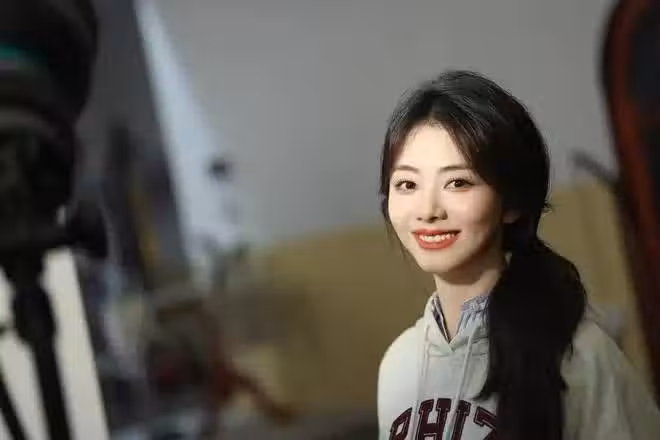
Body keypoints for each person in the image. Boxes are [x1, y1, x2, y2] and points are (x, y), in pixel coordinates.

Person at [376, 70, 660, 440]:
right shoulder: (399, 365)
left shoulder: (580, 356)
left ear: (510, 201)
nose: (428, 210)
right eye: (407, 184)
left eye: (458, 182)